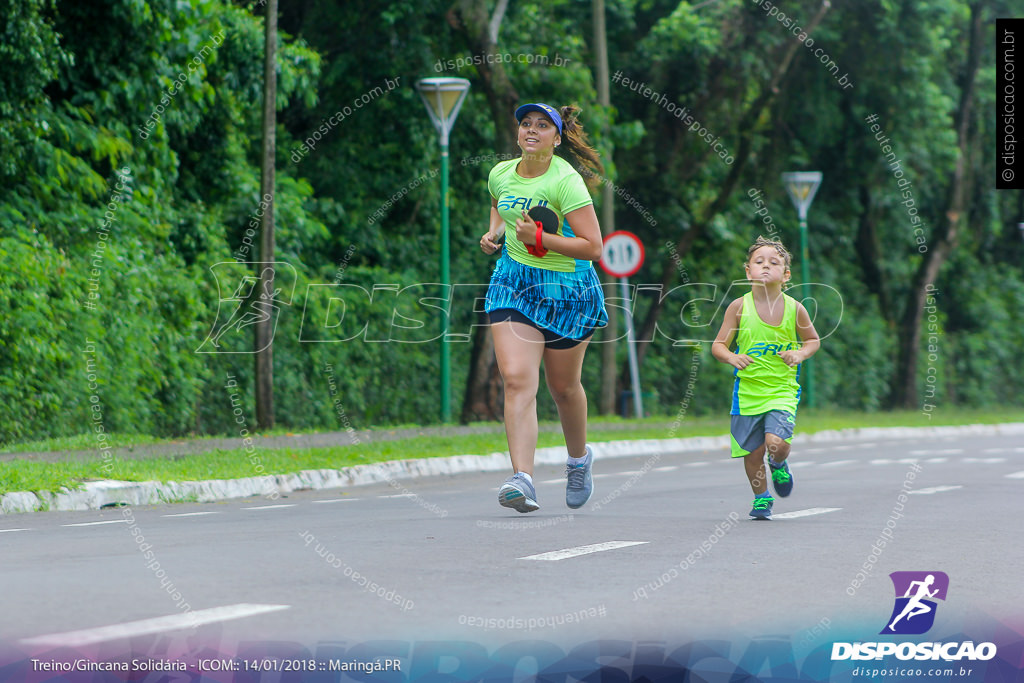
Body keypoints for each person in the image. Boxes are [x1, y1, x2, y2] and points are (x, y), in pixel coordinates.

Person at [479, 103, 608, 513]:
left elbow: (593, 247)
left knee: (564, 388)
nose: (531, 130)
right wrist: (494, 232)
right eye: (525, 124)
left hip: (569, 290)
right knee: (516, 379)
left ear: (557, 137)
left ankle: (577, 460)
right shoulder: (500, 173)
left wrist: (541, 237)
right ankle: (523, 479)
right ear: (518, 135)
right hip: (514, 283)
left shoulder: (566, 181)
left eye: (542, 125)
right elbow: (501, 203)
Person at [711, 236, 821, 519]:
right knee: (751, 453)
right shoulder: (738, 307)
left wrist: (799, 354)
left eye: (774, 263)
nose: (765, 267)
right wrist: (732, 357)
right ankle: (761, 498)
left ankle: (780, 464)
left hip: (782, 390)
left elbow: (812, 341)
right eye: (759, 262)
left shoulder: (795, 308)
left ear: (786, 275)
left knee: (775, 443)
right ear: (748, 271)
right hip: (747, 392)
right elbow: (718, 345)